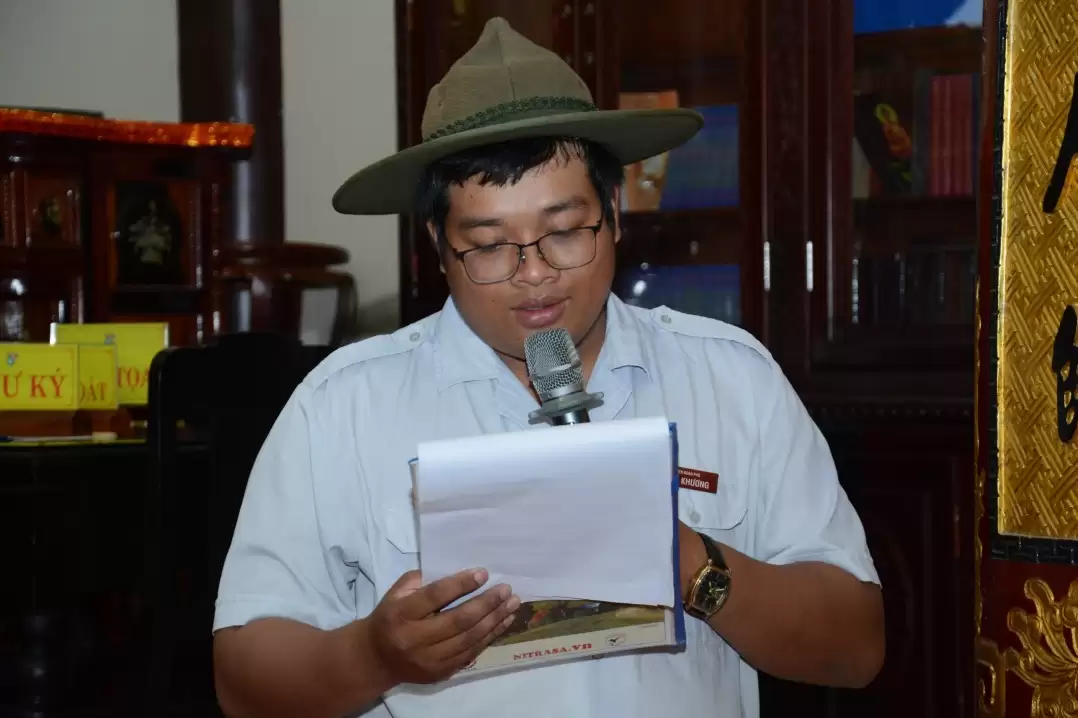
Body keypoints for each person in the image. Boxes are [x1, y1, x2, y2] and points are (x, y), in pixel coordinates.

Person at [211, 17, 884, 718]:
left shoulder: (730, 377)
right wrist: (376, 657)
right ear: (438, 245)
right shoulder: (343, 405)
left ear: (614, 214)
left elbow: (857, 647)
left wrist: (691, 565)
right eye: (489, 245)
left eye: (563, 232)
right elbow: (243, 681)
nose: (534, 274)